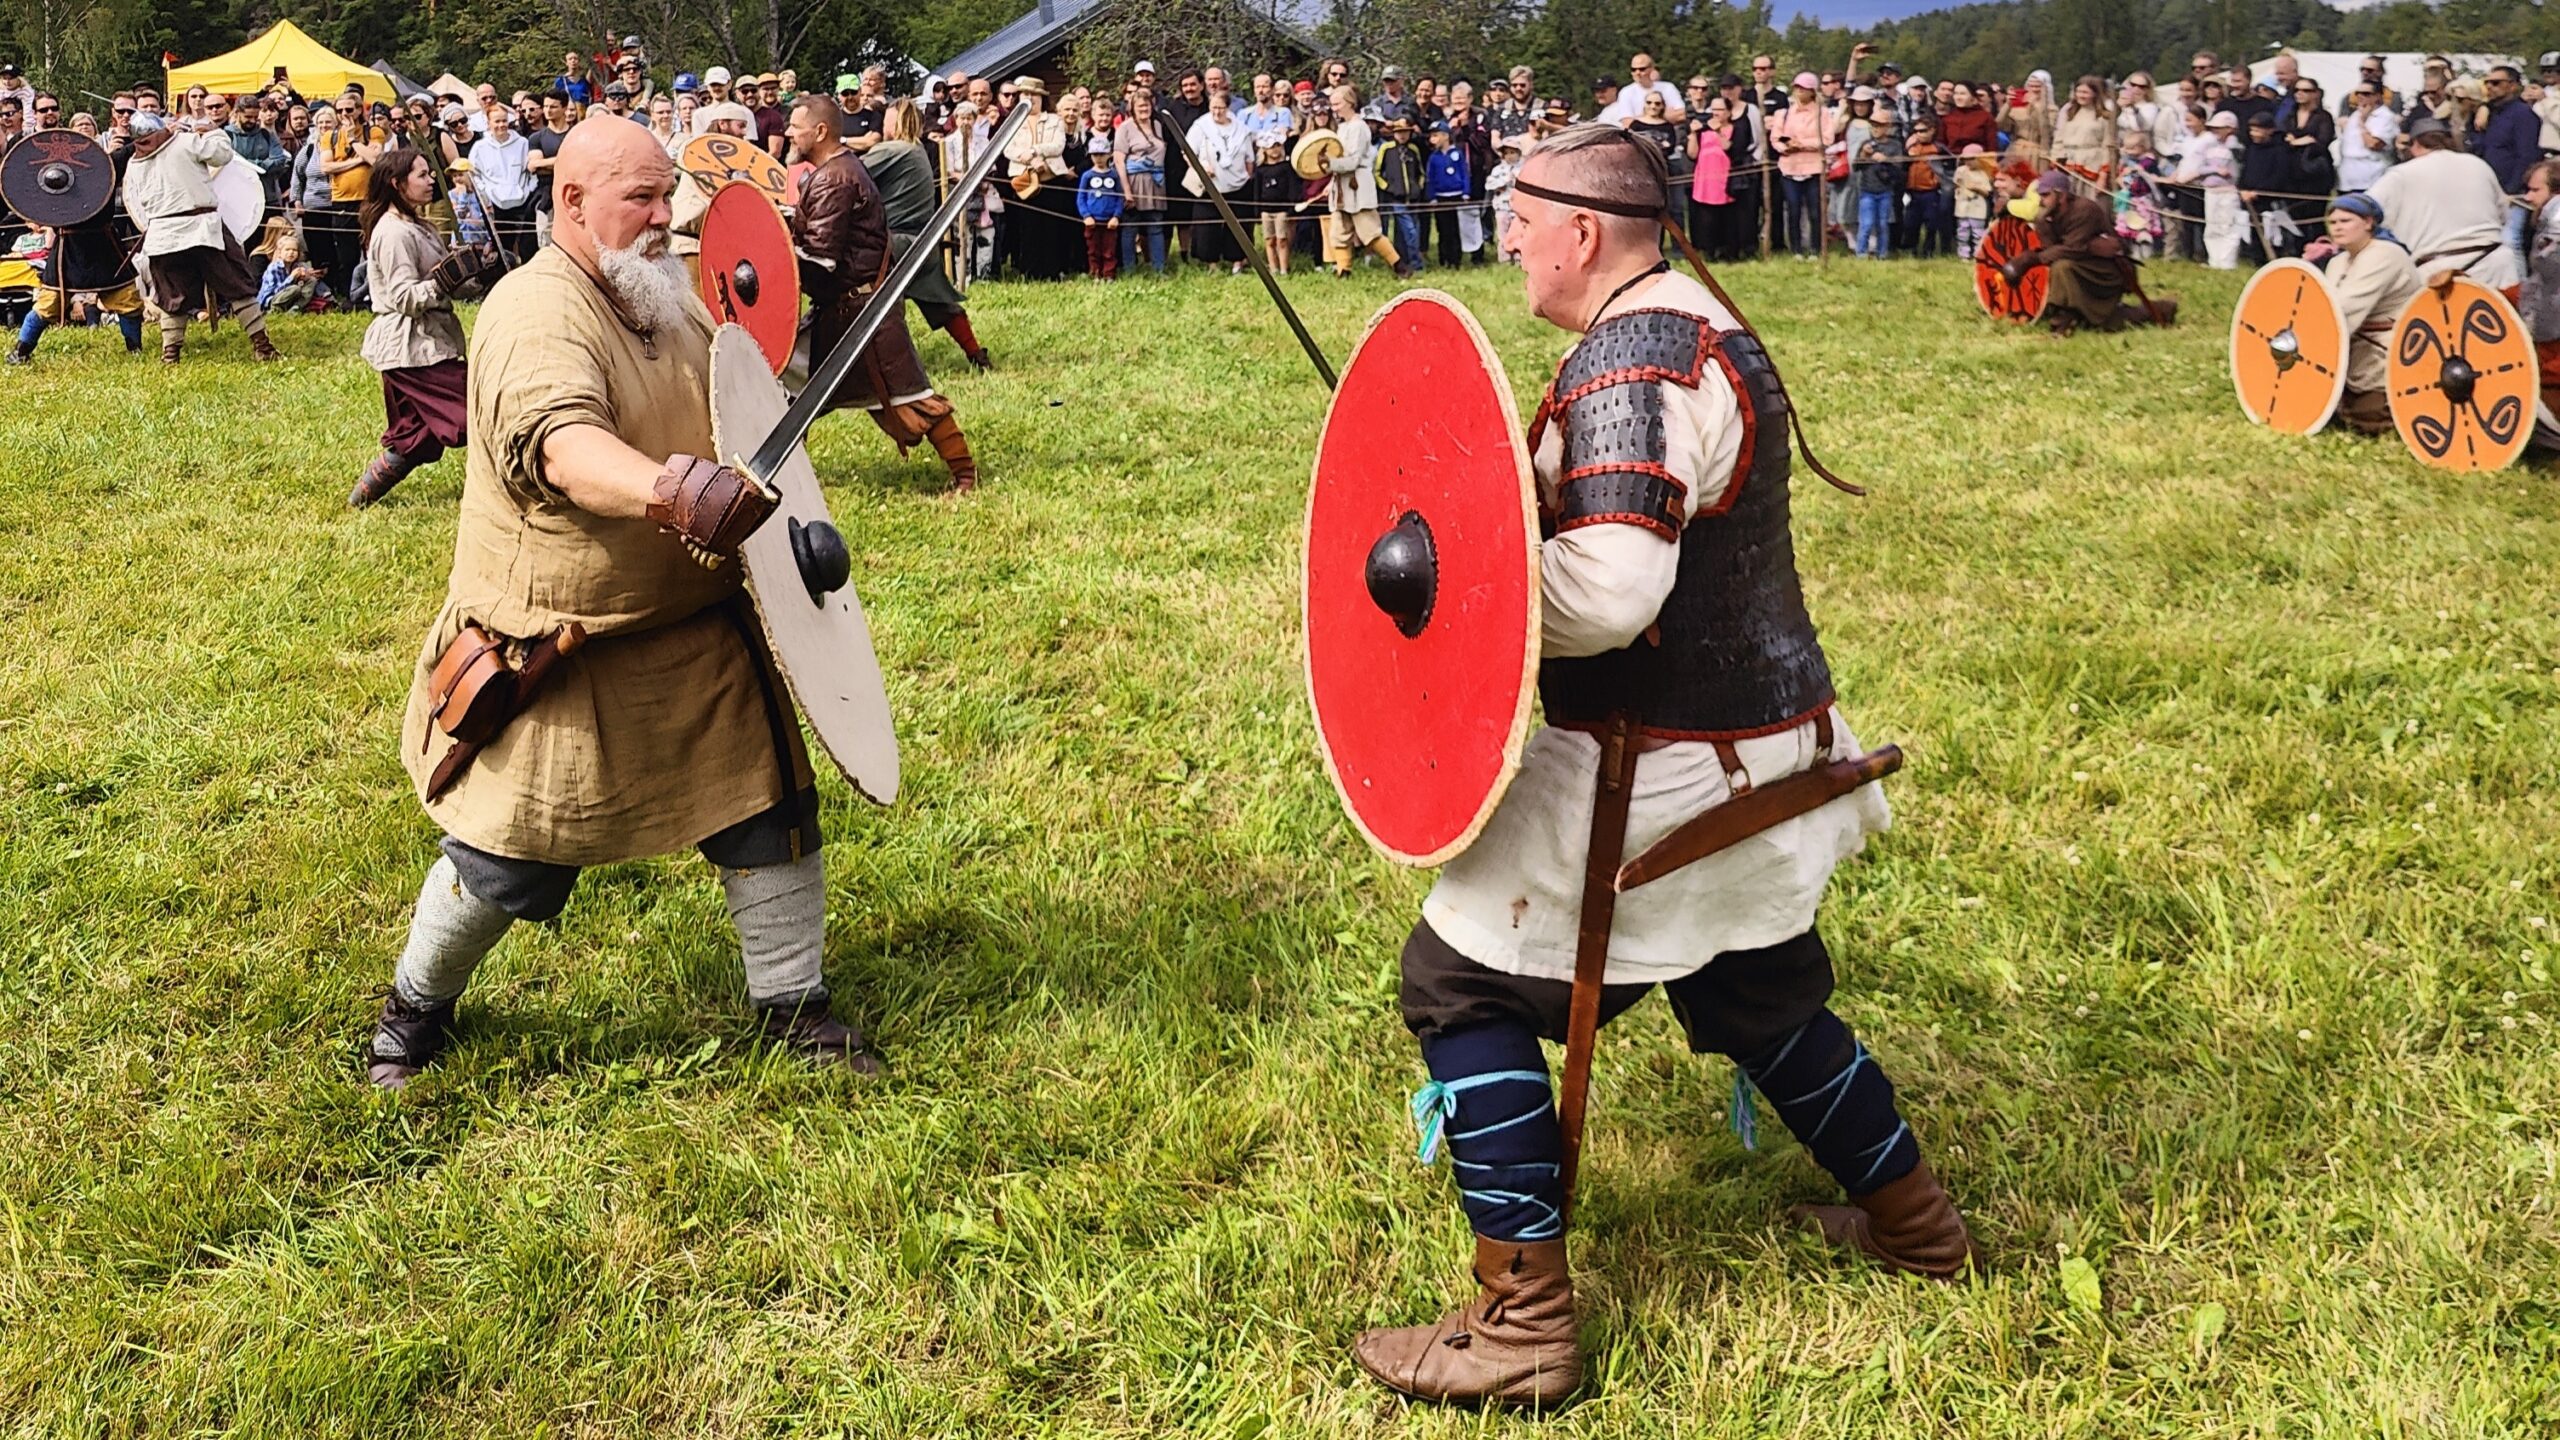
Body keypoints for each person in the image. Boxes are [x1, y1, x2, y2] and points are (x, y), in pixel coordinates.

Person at [1351, 124, 1969, 1412]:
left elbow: (1617, 590)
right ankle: (1918, 1225)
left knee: (1458, 982)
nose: (1507, 238)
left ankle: (1521, 1319)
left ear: (1582, 231)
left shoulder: (1633, 357)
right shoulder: (1700, 323)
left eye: (1522, 218)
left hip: (1660, 762)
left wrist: (1466, 578)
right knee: (1757, 989)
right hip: (1767, 741)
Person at [362, 118, 875, 1088]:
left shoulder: (663, 297)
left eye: (666, 192)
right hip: (562, 650)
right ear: (572, 202)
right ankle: (412, 1012)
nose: (663, 214)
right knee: (506, 859)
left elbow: (737, 392)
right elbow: (562, 445)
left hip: (698, 633)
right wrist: (673, 494)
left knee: (771, 814)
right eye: (641, 197)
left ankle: (792, 1005)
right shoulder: (534, 309)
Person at [789, 95, 977, 492]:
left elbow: (821, 259)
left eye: (796, 126)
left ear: (819, 131)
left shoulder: (834, 178)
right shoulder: (836, 172)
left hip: (861, 316)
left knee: (913, 399)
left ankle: (965, 473)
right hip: (840, 312)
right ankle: (787, 476)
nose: (789, 133)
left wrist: (777, 250)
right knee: (785, 389)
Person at [349, 148, 484, 506]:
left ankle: (361, 497)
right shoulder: (392, 233)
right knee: (482, 410)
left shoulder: (420, 225)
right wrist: (444, 280)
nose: (430, 181)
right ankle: (509, 491)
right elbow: (406, 298)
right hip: (412, 348)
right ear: (397, 184)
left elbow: (447, 280)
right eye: (422, 175)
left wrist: (479, 268)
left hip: (429, 341)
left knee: (416, 436)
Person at [124, 113, 280, 364]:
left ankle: (170, 355)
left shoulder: (134, 162)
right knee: (238, 286)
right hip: (202, 230)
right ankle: (262, 347)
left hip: (162, 237)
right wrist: (211, 130)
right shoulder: (185, 142)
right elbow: (222, 154)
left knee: (172, 296)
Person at [864, 99, 992, 368]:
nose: (883, 125)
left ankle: (878, 361)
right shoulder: (918, 148)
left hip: (893, 245)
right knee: (942, 304)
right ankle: (975, 353)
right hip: (921, 244)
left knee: (863, 299)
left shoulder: (893, 149)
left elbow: (852, 174)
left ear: (896, 122)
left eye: (887, 119)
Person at [6, 143, 143, 364]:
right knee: (49, 302)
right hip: (68, 249)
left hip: (104, 245)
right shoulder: (51, 179)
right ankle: (21, 350)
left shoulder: (105, 167)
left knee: (126, 298)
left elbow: (131, 148)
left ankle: (135, 349)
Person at [2002, 170, 2173, 334]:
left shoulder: (2085, 210)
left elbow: (2072, 249)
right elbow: (2050, 251)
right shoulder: (2046, 216)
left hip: (2106, 271)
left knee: (2063, 268)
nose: (2041, 200)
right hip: (2080, 268)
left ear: (2061, 195)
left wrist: (2030, 259)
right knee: (2062, 270)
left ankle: (2065, 316)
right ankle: (2068, 312)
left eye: (2046, 195)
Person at [2315, 192, 2422, 436]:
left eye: (2346, 221)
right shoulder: (2338, 261)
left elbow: (2344, 311)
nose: (2338, 228)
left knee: (2369, 419)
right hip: (2351, 350)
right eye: (2333, 223)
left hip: (2386, 351)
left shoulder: (2385, 254)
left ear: (2368, 223)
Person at [2366, 119, 2521, 288]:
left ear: (2415, 144)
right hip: (2495, 264)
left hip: (2438, 272)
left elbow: (2364, 213)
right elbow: (2503, 215)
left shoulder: (2401, 174)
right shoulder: (2478, 164)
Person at [998, 77, 1078, 280]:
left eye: (1034, 95)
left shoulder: (1054, 120)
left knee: (1052, 228)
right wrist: (1030, 159)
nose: (1030, 99)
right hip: (1025, 180)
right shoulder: (1013, 122)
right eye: (1025, 95)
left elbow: (1058, 145)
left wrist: (1034, 151)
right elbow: (1008, 149)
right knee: (1028, 228)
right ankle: (1030, 272)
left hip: (1051, 178)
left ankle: (1053, 271)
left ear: (1043, 98)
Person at [1325, 84, 1404, 277]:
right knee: (1339, 231)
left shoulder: (1359, 127)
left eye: (1337, 104)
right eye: (1332, 104)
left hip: (1357, 183)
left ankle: (1399, 266)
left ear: (1350, 102)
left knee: (1369, 231)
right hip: (1341, 185)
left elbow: (1353, 160)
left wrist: (1329, 164)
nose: (1334, 108)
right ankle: (1344, 271)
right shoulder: (1342, 127)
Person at [1186, 90, 1255, 273]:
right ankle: (1212, 264)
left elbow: (1249, 159)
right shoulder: (1201, 126)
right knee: (1207, 227)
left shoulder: (1241, 129)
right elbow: (1187, 152)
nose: (1217, 112)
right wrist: (1200, 167)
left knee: (1239, 224)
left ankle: (1237, 262)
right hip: (1210, 185)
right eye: (1213, 108)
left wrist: (1246, 178)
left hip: (1237, 185)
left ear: (1228, 107)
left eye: (1221, 108)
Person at [469, 102, 538, 264]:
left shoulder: (522, 143)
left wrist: (529, 189)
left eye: (504, 121)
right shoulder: (479, 147)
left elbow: (531, 170)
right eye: (496, 121)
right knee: (502, 248)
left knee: (527, 246)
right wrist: (485, 194)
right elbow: (474, 175)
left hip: (522, 202)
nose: (501, 125)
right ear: (488, 123)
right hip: (495, 205)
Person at [1770, 73, 1830, 257]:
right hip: (1790, 167)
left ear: (1812, 92)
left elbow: (1827, 138)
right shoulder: (1784, 113)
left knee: (1815, 211)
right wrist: (1785, 147)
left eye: (1803, 88)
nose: (1799, 92)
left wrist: (1803, 144)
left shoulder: (1822, 113)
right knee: (1793, 210)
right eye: (1797, 88)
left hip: (1813, 168)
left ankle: (1815, 248)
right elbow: (1776, 137)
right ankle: (1796, 248)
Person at [1113, 88, 1172, 275]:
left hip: (1156, 182)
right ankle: (1129, 269)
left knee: (1156, 225)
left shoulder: (1157, 125)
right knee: (1130, 227)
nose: (1143, 109)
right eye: (1140, 106)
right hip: (1134, 181)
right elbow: (1119, 160)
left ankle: (1159, 269)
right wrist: (1126, 191)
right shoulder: (1125, 128)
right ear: (1133, 107)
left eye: (1146, 105)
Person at [1376, 116, 1428, 269]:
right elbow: (1377, 172)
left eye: (1405, 132)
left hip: (1413, 197)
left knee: (1408, 232)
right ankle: (1416, 264)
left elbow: (1421, 172)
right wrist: (1387, 187)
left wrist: (1418, 187)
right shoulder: (1386, 148)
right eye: (1399, 132)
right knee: (1410, 232)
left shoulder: (1413, 150)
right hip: (1396, 198)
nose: (1402, 135)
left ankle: (1403, 260)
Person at [1852, 105, 1903, 259]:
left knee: (1882, 224)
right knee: (1866, 224)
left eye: (1879, 125)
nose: (1875, 129)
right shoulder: (1866, 144)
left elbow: (1899, 169)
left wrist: (1886, 160)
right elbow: (1856, 167)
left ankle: (1882, 253)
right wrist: (1864, 155)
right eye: (1873, 125)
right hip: (1867, 191)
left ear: (1887, 127)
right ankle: (1861, 253)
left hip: (1885, 191)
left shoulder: (1895, 145)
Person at [1079, 131, 1126, 278]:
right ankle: (1095, 273)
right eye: (1095, 155)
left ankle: (1109, 274)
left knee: (1109, 249)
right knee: (1093, 249)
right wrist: (1086, 215)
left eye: (1102, 154)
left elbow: (1119, 197)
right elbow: (1081, 198)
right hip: (1092, 220)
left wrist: (1116, 216)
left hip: (1109, 221)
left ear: (1109, 155)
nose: (1098, 158)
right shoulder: (1087, 175)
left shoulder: (1113, 175)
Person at [254, 223, 330, 313]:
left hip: (290, 297)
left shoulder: (296, 266)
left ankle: (296, 308)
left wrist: (304, 278)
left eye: (294, 250)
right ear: (279, 252)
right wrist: (292, 278)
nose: (291, 253)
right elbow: (273, 291)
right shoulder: (274, 268)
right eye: (287, 250)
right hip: (271, 300)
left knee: (312, 281)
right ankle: (274, 310)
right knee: (295, 289)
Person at [2339, 82, 2399, 192]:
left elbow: (2373, 144)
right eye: (2357, 93)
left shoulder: (2385, 117)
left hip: (2371, 180)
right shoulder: (2355, 115)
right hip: (2347, 180)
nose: (2360, 96)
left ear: (2377, 96)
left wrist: (2362, 123)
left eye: (2366, 94)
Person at [1249, 133, 1295, 272]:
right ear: (1264, 150)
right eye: (1270, 147)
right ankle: (1273, 268)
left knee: (1282, 239)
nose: (1274, 150)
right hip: (1266, 210)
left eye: (1277, 146)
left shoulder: (1286, 167)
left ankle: (1284, 268)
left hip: (1281, 209)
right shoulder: (1261, 170)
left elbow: (1292, 188)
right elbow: (1256, 191)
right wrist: (1257, 211)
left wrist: (1291, 208)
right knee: (1269, 239)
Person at [2004, 71, 2056, 174]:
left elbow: (2045, 133)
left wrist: (2038, 107)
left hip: (2036, 154)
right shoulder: (2018, 108)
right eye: (2031, 86)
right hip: (2016, 150)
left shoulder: (2052, 109)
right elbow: (2003, 126)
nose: (2033, 90)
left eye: (2038, 87)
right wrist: (2007, 105)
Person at [1952, 145, 1994, 258]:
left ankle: (1978, 254)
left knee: (1978, 232)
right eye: (1966, 159)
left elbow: (1987, 192)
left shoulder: (1984, 173)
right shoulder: (1960, 170)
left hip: (1978, 206)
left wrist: (1976, 188)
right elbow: (1956, 184)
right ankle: (1963, 254)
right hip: (1963, 205)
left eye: (1972, 159)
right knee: (1962, 230)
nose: (1968, 162)